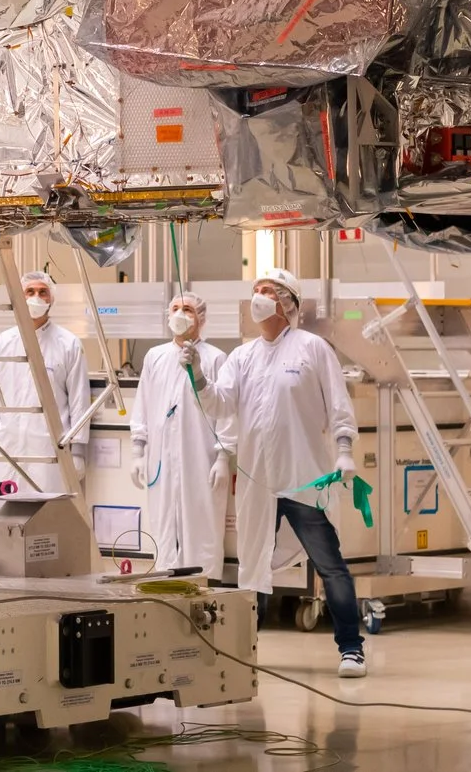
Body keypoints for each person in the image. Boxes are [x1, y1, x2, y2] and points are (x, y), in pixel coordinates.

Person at [220, 267, 366, 678]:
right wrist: (194, 371)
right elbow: (220, 404)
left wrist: (343, 450)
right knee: (252, 566)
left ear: (287, 302)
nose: (258, 297)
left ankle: (352, 649)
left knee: (329, 563)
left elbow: (339, 404)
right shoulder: (242, 356)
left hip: (305, 476)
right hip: (256, 480)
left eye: (266, 290)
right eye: (255, 290)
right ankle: (244, 650)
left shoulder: (313, 349)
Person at [129, 291, 231, 579]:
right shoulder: (155, 357)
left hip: (200, 458)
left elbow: (226, 412)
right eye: (175, 308)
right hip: (160, 459)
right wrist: (138, 451)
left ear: (201, 318)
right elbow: (143, 406)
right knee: (163, 523)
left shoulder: (214, 359)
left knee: (202, 524)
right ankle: (165, 583)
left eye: (187, 309)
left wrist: (223, 456)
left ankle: (205, 584)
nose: (180, 314)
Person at [0, 266, 90, 494]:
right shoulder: (5, 341)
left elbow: (80, 401)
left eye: (43, 292)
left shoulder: (68, 344)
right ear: (20, 297)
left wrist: (78, 450)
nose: (36, 297)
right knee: (5, 517)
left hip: (48, 449)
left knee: (46, 517)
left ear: (52, 299)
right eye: (29, 292)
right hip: (7, 448)